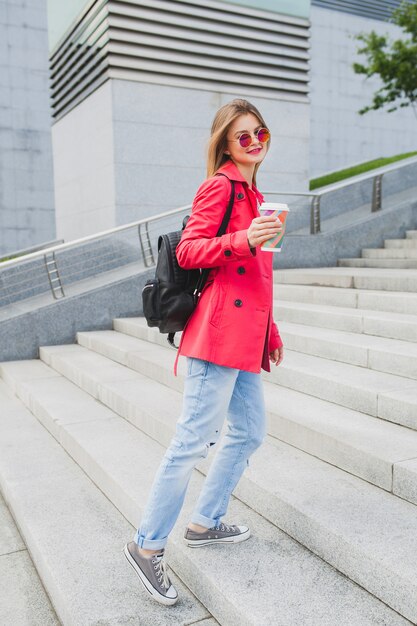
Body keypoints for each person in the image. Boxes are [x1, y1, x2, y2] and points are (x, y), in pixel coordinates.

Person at [124, 98, 284, 605]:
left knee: (249, 433)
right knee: (191, 443)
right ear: (225, 143)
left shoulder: (255, 196)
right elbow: (190, 249)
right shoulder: (219, 186)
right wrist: (240, 238)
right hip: (217, 337)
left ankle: (204, 521)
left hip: (245, 337)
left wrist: (271, 333)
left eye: (261, 132)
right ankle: (146, 547)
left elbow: (259, 274)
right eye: (244, 136)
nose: (255, 142)